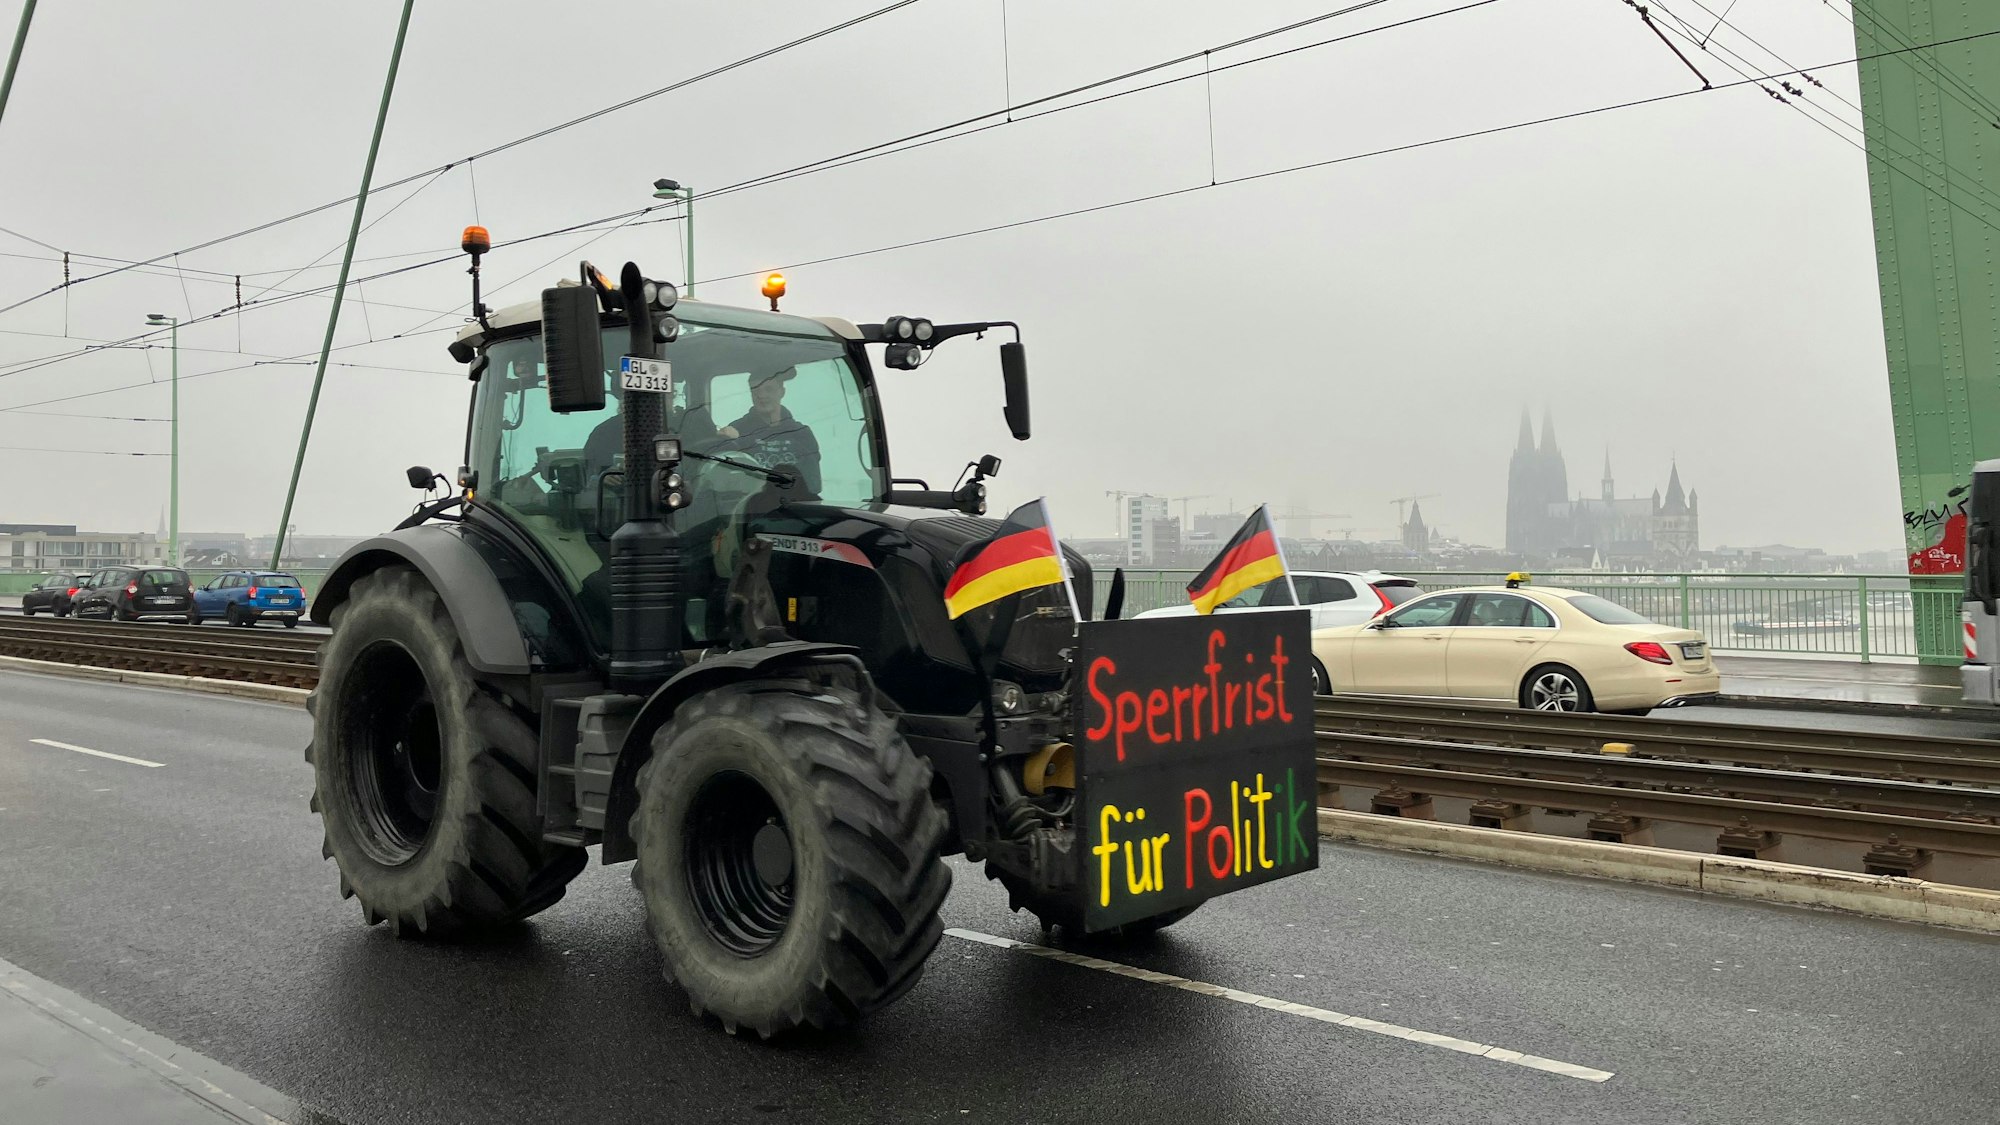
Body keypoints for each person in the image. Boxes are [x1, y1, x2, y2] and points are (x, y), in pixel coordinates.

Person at [713, 366, 821, 495]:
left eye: (768, 389)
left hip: (793, 508)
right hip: (751, 509)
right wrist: (731, 441)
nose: (761, 395)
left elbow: (814, 486)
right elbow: (722, 483)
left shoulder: (801, 434)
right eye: (755, 390)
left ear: (782, 392)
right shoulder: (736, 431)